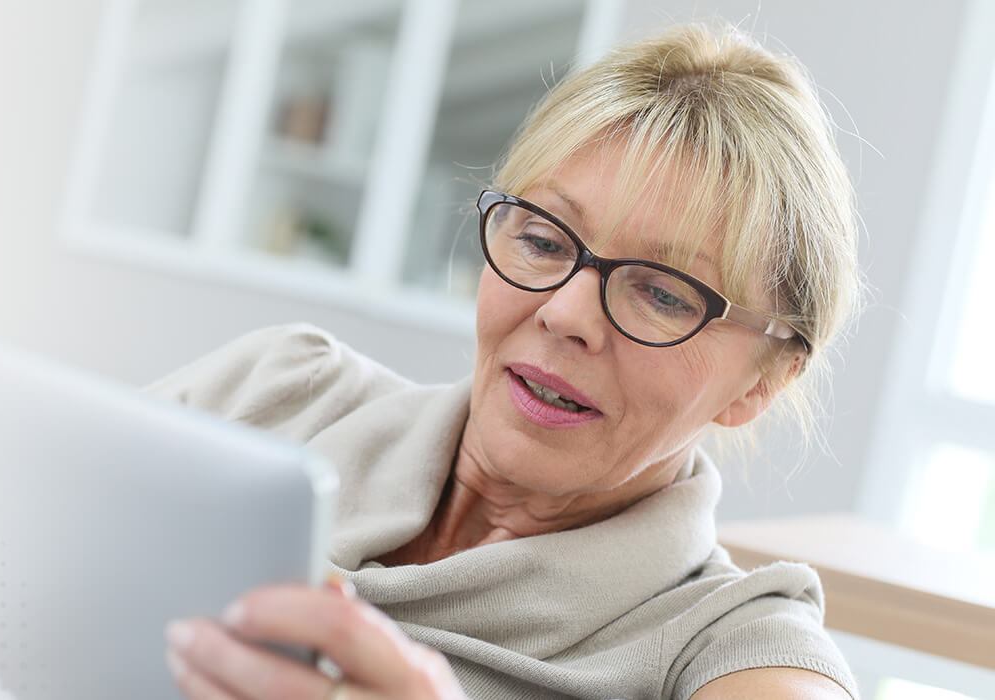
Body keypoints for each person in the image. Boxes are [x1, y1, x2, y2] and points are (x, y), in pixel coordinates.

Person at [149, 23, 863, 700]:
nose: (565, 314)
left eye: (663, 294)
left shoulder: (731, 644)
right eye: (545, 241)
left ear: (761, 383)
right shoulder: (281, 390)